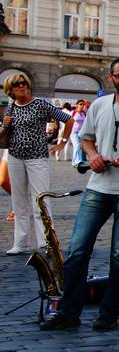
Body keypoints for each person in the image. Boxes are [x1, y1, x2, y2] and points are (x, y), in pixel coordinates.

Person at [40, 57, 119, 330]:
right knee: (77, 250)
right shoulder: (99, 106)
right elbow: (86, 138)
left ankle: (109, 315)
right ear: (111, 78)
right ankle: (68, 313)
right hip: (98, 187)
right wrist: (94, 155)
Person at [2, 73, 73, 255]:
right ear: (10, 89)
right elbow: (6, 132)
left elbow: (68, 119)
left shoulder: (40, 104)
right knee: (18, 201)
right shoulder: (10, 106)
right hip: (15, 156)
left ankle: (47, 243)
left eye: (24, 83)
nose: (22, 86)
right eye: (17, 84)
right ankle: (20, 242)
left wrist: (63, 142)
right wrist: (5, 124)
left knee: (41, 200)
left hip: (37, 157)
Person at [70, 100, 88, 166]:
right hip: (73, 132)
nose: (82, 105)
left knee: (80, 147)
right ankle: (76, 161)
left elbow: (86, 123)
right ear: (77, 105)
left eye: (83, 104)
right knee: (77, 146)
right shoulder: (73, 112)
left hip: (81, 132)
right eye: (80, 104)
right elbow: (68, 122)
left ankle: (77, 161)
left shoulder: (84, 113)